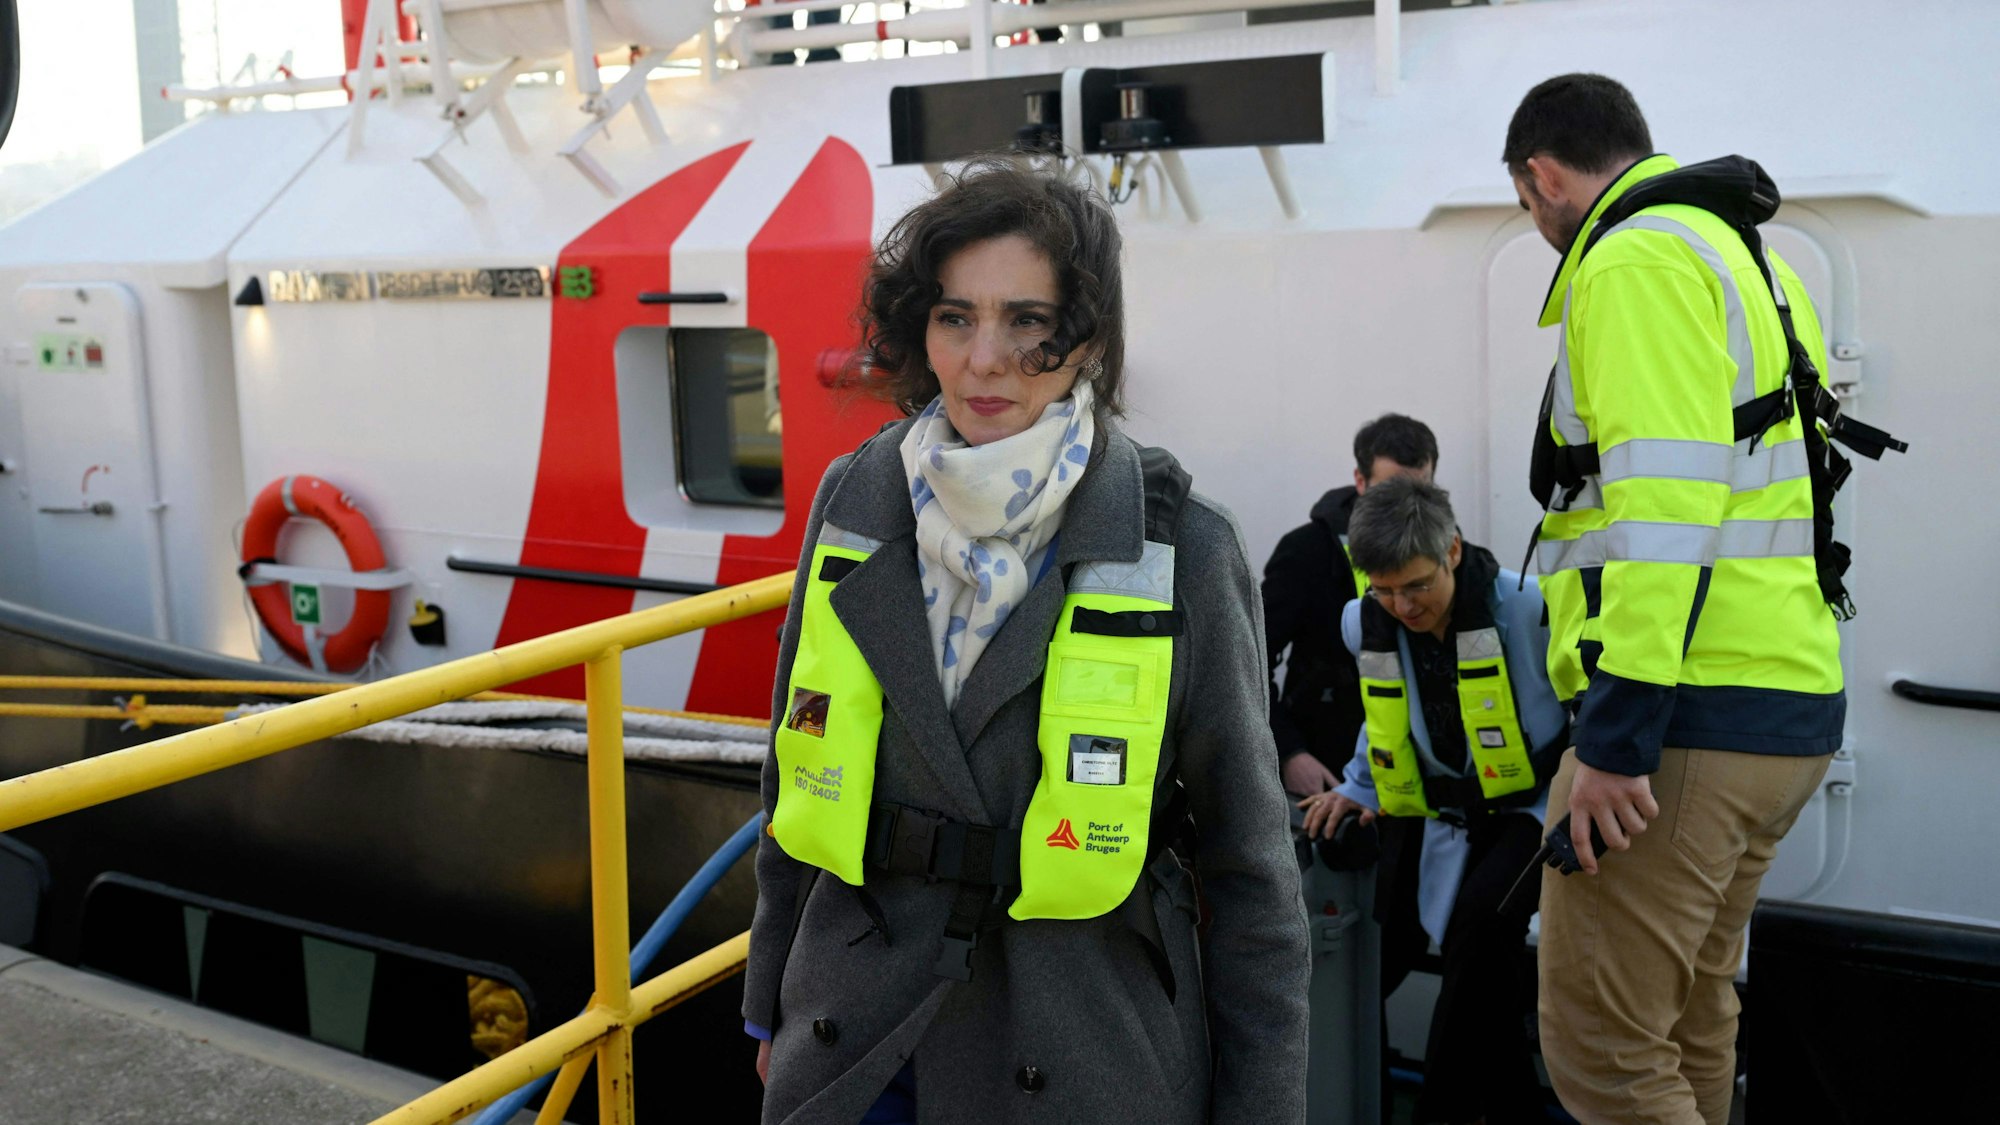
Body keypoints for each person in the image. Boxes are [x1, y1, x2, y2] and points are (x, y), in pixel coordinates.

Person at [741, 159, 1309, 1125]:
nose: (984, 358)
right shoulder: (857, 497)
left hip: (1079, 1054)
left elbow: (1250, 868)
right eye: (955, 317)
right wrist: (768, 1009)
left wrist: (1263, 1109)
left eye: (1027, 322)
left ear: (1085, 340)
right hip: (854, 1044)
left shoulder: (1182, 543)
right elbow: (792, 772)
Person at [1504, 74, 1849, 1124]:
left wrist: (1614, 737)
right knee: (1690, 1020)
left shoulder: (1631, 260)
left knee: (1605, 1055)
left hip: (1680, 723)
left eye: (1526, 206)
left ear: (1541, 177)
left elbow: (1664, 513)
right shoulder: (1739, 255)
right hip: (1781, 704)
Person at [1297, 478, 1567, 1125]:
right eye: (1385, 589)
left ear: (1451, 550)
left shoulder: (1529, 607)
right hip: (1449, 812)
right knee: (1483, 975)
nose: (1402, 605)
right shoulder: (1363, 618)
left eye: (1416, 585)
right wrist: (1359, 785)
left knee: (1480, 924)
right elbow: (1382, 709)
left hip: (1540, 804)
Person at [1264, 414, 1438, 802]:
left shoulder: (1447, 554)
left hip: (1423, 775)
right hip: (1327, 772)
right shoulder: (1306, 552)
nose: (1405, 508)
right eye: (1390, 490)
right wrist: (1289, 753)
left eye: (1419, 492)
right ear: (1360, 482)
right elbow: (1247, 662)